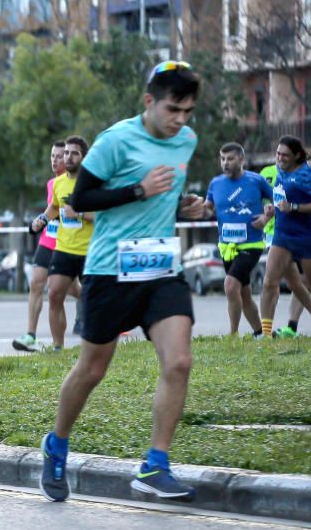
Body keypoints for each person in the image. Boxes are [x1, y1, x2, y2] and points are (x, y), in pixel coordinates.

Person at [40, 61, 206, 503]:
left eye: (188, 111)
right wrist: (138, 190)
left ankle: (155, 464)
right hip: (110, 269)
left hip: (160, 268)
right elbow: (80, 199)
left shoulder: (186, 141)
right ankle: (56, 443)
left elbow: (161, 200)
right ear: (149, 101)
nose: (181, 120)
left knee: (180, 362)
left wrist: (182, 207)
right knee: (92, 368)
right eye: (173, 109)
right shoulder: (115, 141)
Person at [200, 143, 273, 336]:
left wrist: (266, 217)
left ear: (241, 159)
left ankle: (232, 335)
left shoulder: (256, 181)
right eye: (222, 159)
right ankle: (260, 334)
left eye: (230, 159)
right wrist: (199, 208)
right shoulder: (215, 183)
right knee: (243, 294)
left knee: (230, 285)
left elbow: (277, 200)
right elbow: (208, 207)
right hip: (227, 247)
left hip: (252, 244)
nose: (225, 163)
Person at [14, 141, 68, 351]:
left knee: (72, 291)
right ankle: (30, 335)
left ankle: (108, 312)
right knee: (36, 283)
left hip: (66, 245)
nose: (54, 160)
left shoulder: (75, 183)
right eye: (52, 156)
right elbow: (50, 211)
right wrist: (39, 222)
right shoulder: (50, 184)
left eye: (59, 156)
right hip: (47, 242)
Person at [43, 136, 94, 350]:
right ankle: (57, 346)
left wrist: (80, 212)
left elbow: (102, 215)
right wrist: (42, 220)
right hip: (64, 248)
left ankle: (94, 346)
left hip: (90, 250)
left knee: (94, 300)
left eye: (74, 153)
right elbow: (55, 207)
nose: (68, 157)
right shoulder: (59, 183)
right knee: (54, 295)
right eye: (66, 153)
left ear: (84, 157)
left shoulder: (93, 182)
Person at [258, 136, 311, 338]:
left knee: (305, 286)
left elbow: (294, 204)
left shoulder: (306, 175)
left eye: (285, 155)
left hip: (306, 237)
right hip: (282, 235)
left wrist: (294, 207)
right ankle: (265, 334)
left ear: (297, 155)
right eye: (278, 153)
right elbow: (280, 197)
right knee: (269, 282)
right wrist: (270, 209)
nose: (280, 158)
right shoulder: (278, 171)